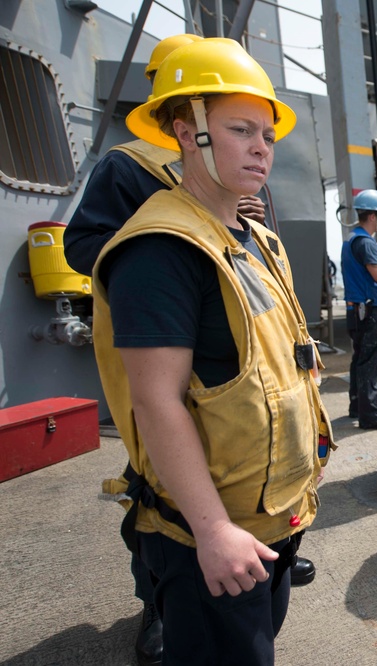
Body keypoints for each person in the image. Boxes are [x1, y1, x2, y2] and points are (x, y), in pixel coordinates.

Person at [65, 33, 316, 666]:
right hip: (216, 531)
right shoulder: (160, 248)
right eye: (241, 130)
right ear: (187, 131)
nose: (261, 147)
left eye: (267, 133)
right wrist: (212, 531)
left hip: (270, 521)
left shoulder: (254, 238)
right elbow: (157, 401)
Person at [342, 189, 377, 429]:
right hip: (371, 312)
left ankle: (357, 405)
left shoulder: (351, 239)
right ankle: (370, 414)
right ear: (372, 216)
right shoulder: (366, 242)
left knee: (359, 359)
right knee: (369, 362)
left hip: (357, 310)